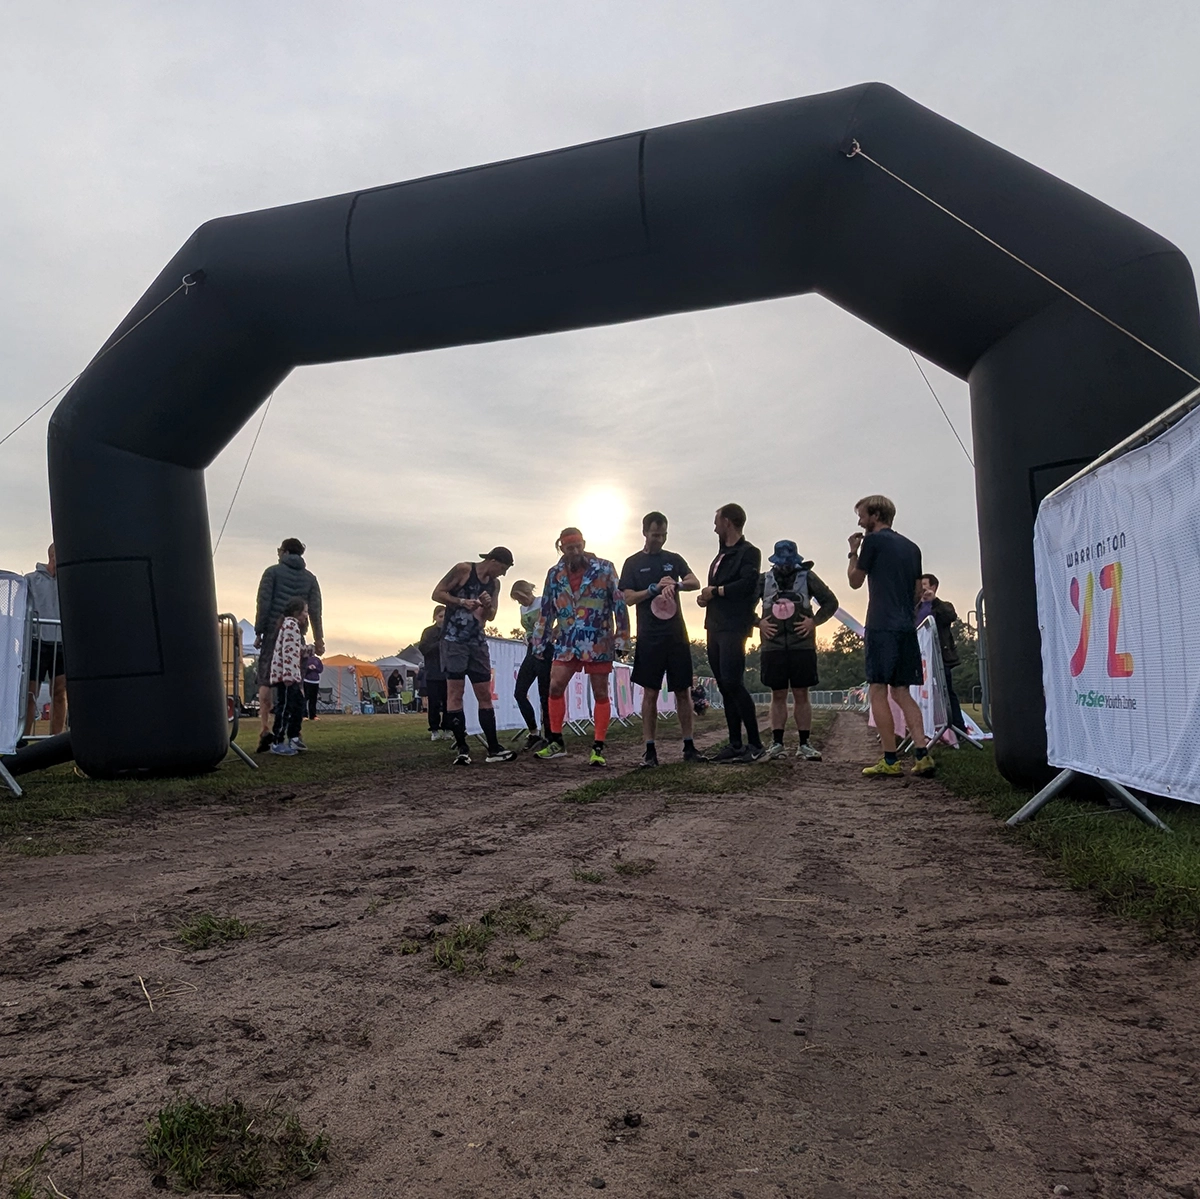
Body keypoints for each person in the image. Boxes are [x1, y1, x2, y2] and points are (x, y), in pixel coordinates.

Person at [847, 494, 934, 777]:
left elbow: (855, 581)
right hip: (905, 626)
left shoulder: (872, 542)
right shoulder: (912, 547)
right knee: (902, 692)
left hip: (881, 624)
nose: (859, 521)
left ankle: (890, 759)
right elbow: (918, 591)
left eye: (861, 515)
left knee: (877, 691)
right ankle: (922, 754)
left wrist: (852, 551)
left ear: (875, 515)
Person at [532, 528, 630, 767]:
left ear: (583, 544)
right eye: (569, 548)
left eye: (578, 546)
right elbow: (546, 609)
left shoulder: (604, 568)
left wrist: (622, 638)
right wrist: (539, 641)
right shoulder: (554, 574)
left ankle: (598, 747)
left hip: (598, 639)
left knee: (600, 693)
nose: (575, 551)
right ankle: (556, 741)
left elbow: (619, 604)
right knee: (554, 686)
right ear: (561, 548)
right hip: (566, 640)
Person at [618, 511, 704, 768]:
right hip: (649, 636)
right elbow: (628, 598)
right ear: (644, 532)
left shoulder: (673, 559)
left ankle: (689, 746)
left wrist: (676, 585)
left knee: (682, 690)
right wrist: (652, 589)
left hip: (675, 634)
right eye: (655, 535)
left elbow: (695, 582)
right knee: (650, 693)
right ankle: (649, 749)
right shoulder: (632, 563)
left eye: (664, 535)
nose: (659, 539)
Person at [431, 549, 518, 765]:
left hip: (477, 642)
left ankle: (493, 747)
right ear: (492, 561)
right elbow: (437, 593)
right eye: (503, 569)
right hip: (453, 640)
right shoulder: (463, 569)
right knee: (455, 692)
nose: (503, 574)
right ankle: (462, 748)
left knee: (484, 693)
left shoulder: (494, 585)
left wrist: (487, 606)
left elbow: (492, 615)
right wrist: (461, 602)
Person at [757, 540, 838, 761]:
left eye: (789, 562)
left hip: (802, 645)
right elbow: (743, 606)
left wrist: (814, 622)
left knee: (802, 693)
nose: (785, 567)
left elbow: (831, 602)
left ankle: (804, 744)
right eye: (782, 562)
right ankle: (777, 744)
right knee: (778, 694)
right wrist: (758, 623)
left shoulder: (808, 577)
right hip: (772, 647)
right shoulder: (764, 580)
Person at [698, 504, 764, 763]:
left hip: (734, 626)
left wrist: (716, 591)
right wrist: (707, 598)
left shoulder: (749, 553)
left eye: (717, 520)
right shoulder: (721, 555)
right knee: (725, 686)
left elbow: (747, 585)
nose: (714, 526)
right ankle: (735, 744)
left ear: (727, 521)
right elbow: (718, 587)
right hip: (714, 625)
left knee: (733, 682)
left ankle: (756, 744)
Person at [254, 539, 324, 753]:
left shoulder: (271, 572)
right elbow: (315, 611)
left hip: (273, 631)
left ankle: (266, 728)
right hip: (298, 635)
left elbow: (263, 603)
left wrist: (259, 632)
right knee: (295, 684)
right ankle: (294, 732)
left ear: (282, 552)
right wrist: (319, 639)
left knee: (267, 680)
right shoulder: (310, 579)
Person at [24, 543, 67, 735]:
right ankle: (22, 738)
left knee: (59, 692)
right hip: (36, 643)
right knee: (30, 694)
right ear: (52, 556)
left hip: (61, 645)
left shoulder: (68, 583)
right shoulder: (30, 580)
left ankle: (55, 739)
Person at [917, 573, 965, 738]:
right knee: (920, 694)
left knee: (946, 692)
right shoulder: (914, 608)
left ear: (933, 587)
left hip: (939, 657)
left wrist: (934, 601)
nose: (921, 589)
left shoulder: (943, 605)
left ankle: (958, 729)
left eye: (924, 585)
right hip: (920, 659)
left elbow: (950, 616)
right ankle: (924, 729)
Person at [511, 579, 552, 750]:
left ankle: (550, 736)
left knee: (545, 695)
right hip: (531, 650)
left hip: (546, 649)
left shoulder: (542, 601)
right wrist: (528, 637)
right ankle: (534, 731)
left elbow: (549, 622)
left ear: (526, 593)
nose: (520, 603)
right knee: (519, 692)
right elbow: (529, 628)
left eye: (520, 598)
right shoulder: (523, 609)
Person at [269, 598, 309, 756]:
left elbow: (293, 649)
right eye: (305, 611)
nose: (306, 615)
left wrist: (308, 650)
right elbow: (289, 653)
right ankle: (277, 742)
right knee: (285, 708)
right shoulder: (291, 625)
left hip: (291, 674)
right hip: (287, 676)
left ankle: (293, 736)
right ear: (297, 612)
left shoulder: (290, 626)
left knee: (299, 705)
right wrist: (288, 675)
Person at [418, 606, 448, 741]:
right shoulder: (428, 632)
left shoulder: (451, 631)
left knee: (449, 703)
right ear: (435, 617)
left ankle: (448, 729)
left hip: (448, 673)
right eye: (440, 616)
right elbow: (423, 649)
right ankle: (434, 729)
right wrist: (439, 644)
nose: (443, 619)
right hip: (433, 673)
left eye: (445, 616)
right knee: (434, 703)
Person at [301, 647, 323, 721]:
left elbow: (320, 669)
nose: (311, 651)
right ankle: (304, 715)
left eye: (312, 650)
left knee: (313, 699)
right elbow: (302, 669)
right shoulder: (305, 659)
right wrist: (309, 668)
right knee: (305, 698)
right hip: (306, 681)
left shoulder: (317, 660)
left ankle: (313, 715)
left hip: (315, 681)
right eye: (310, 650)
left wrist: (315, 668)